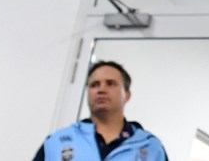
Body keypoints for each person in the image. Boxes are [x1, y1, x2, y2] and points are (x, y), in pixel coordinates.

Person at [34, 61, 168, 161]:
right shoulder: (57, 142)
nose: (101, 90)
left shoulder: (151, 147)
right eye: (94, 85)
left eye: (110, 84)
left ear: (127, 95)